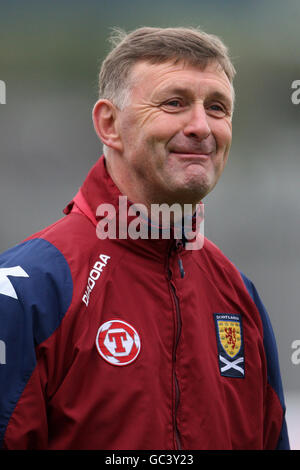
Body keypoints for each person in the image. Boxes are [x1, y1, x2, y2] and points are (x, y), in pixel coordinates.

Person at [0, 26, 289, 450]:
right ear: (109, 124)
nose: (200, 127)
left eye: (217, 108)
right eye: (174, 103)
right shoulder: (26, 289)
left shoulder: (239, 296)